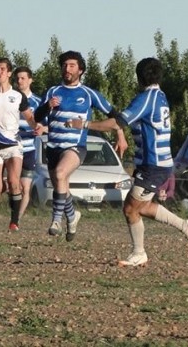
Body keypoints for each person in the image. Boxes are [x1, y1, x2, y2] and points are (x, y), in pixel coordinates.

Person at [66, 57, 188, 266]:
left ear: (139, 77)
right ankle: (185, 225)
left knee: (130, 208)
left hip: (153, 165)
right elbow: (131, 123)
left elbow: (118, 121)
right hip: (154, 164)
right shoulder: (160, 96)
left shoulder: (147, 98)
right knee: (142, 206)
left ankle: (139, 253)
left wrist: (84, 125)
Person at [34, 50, 127, 241]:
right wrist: (47, 106)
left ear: (80, 70)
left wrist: (120, 134)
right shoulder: (52, 92)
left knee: (60, 174)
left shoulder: (88, 94)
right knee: (61, 185)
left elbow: (114, 115)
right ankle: (73, 215)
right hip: (53, 147)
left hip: (76, 147)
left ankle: (56, 221)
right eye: (65, 65)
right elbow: (36, 117)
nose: (67, 69)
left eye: (72, 66)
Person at [0, 58, 44, 232]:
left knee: (16, 182)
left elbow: (29, 117)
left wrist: (37, 126)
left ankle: (14, 221)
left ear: (8, 73)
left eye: (2, 69)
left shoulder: (18, 96)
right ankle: (12, 189)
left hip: (14, 145)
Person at [13, 65, 44, 225]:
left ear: (30, 80)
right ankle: (14, 214)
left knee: (25, 188)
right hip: (10, 149)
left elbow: (47, 125)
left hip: (29, 150)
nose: (20, 81)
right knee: (10, 186)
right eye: (17, 78)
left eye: (23, 78)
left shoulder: (38, 102)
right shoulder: (10, 98)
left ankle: (16, 220)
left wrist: (42, 129)